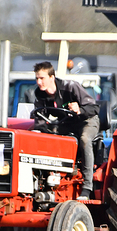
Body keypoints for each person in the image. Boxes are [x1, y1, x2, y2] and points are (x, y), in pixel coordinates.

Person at [32, 62, 100, 200]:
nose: (39, 82)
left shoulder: (70, 87)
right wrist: (40, 131)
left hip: (87, 121)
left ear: (52, 77)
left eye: (42, 78)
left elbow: (94, 108)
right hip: (66, 123)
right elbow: (39, 119)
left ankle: (87, 187)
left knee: (85, 139)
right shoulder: (40, 95)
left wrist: (79, 110)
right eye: (37, 78)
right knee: (40, 136)